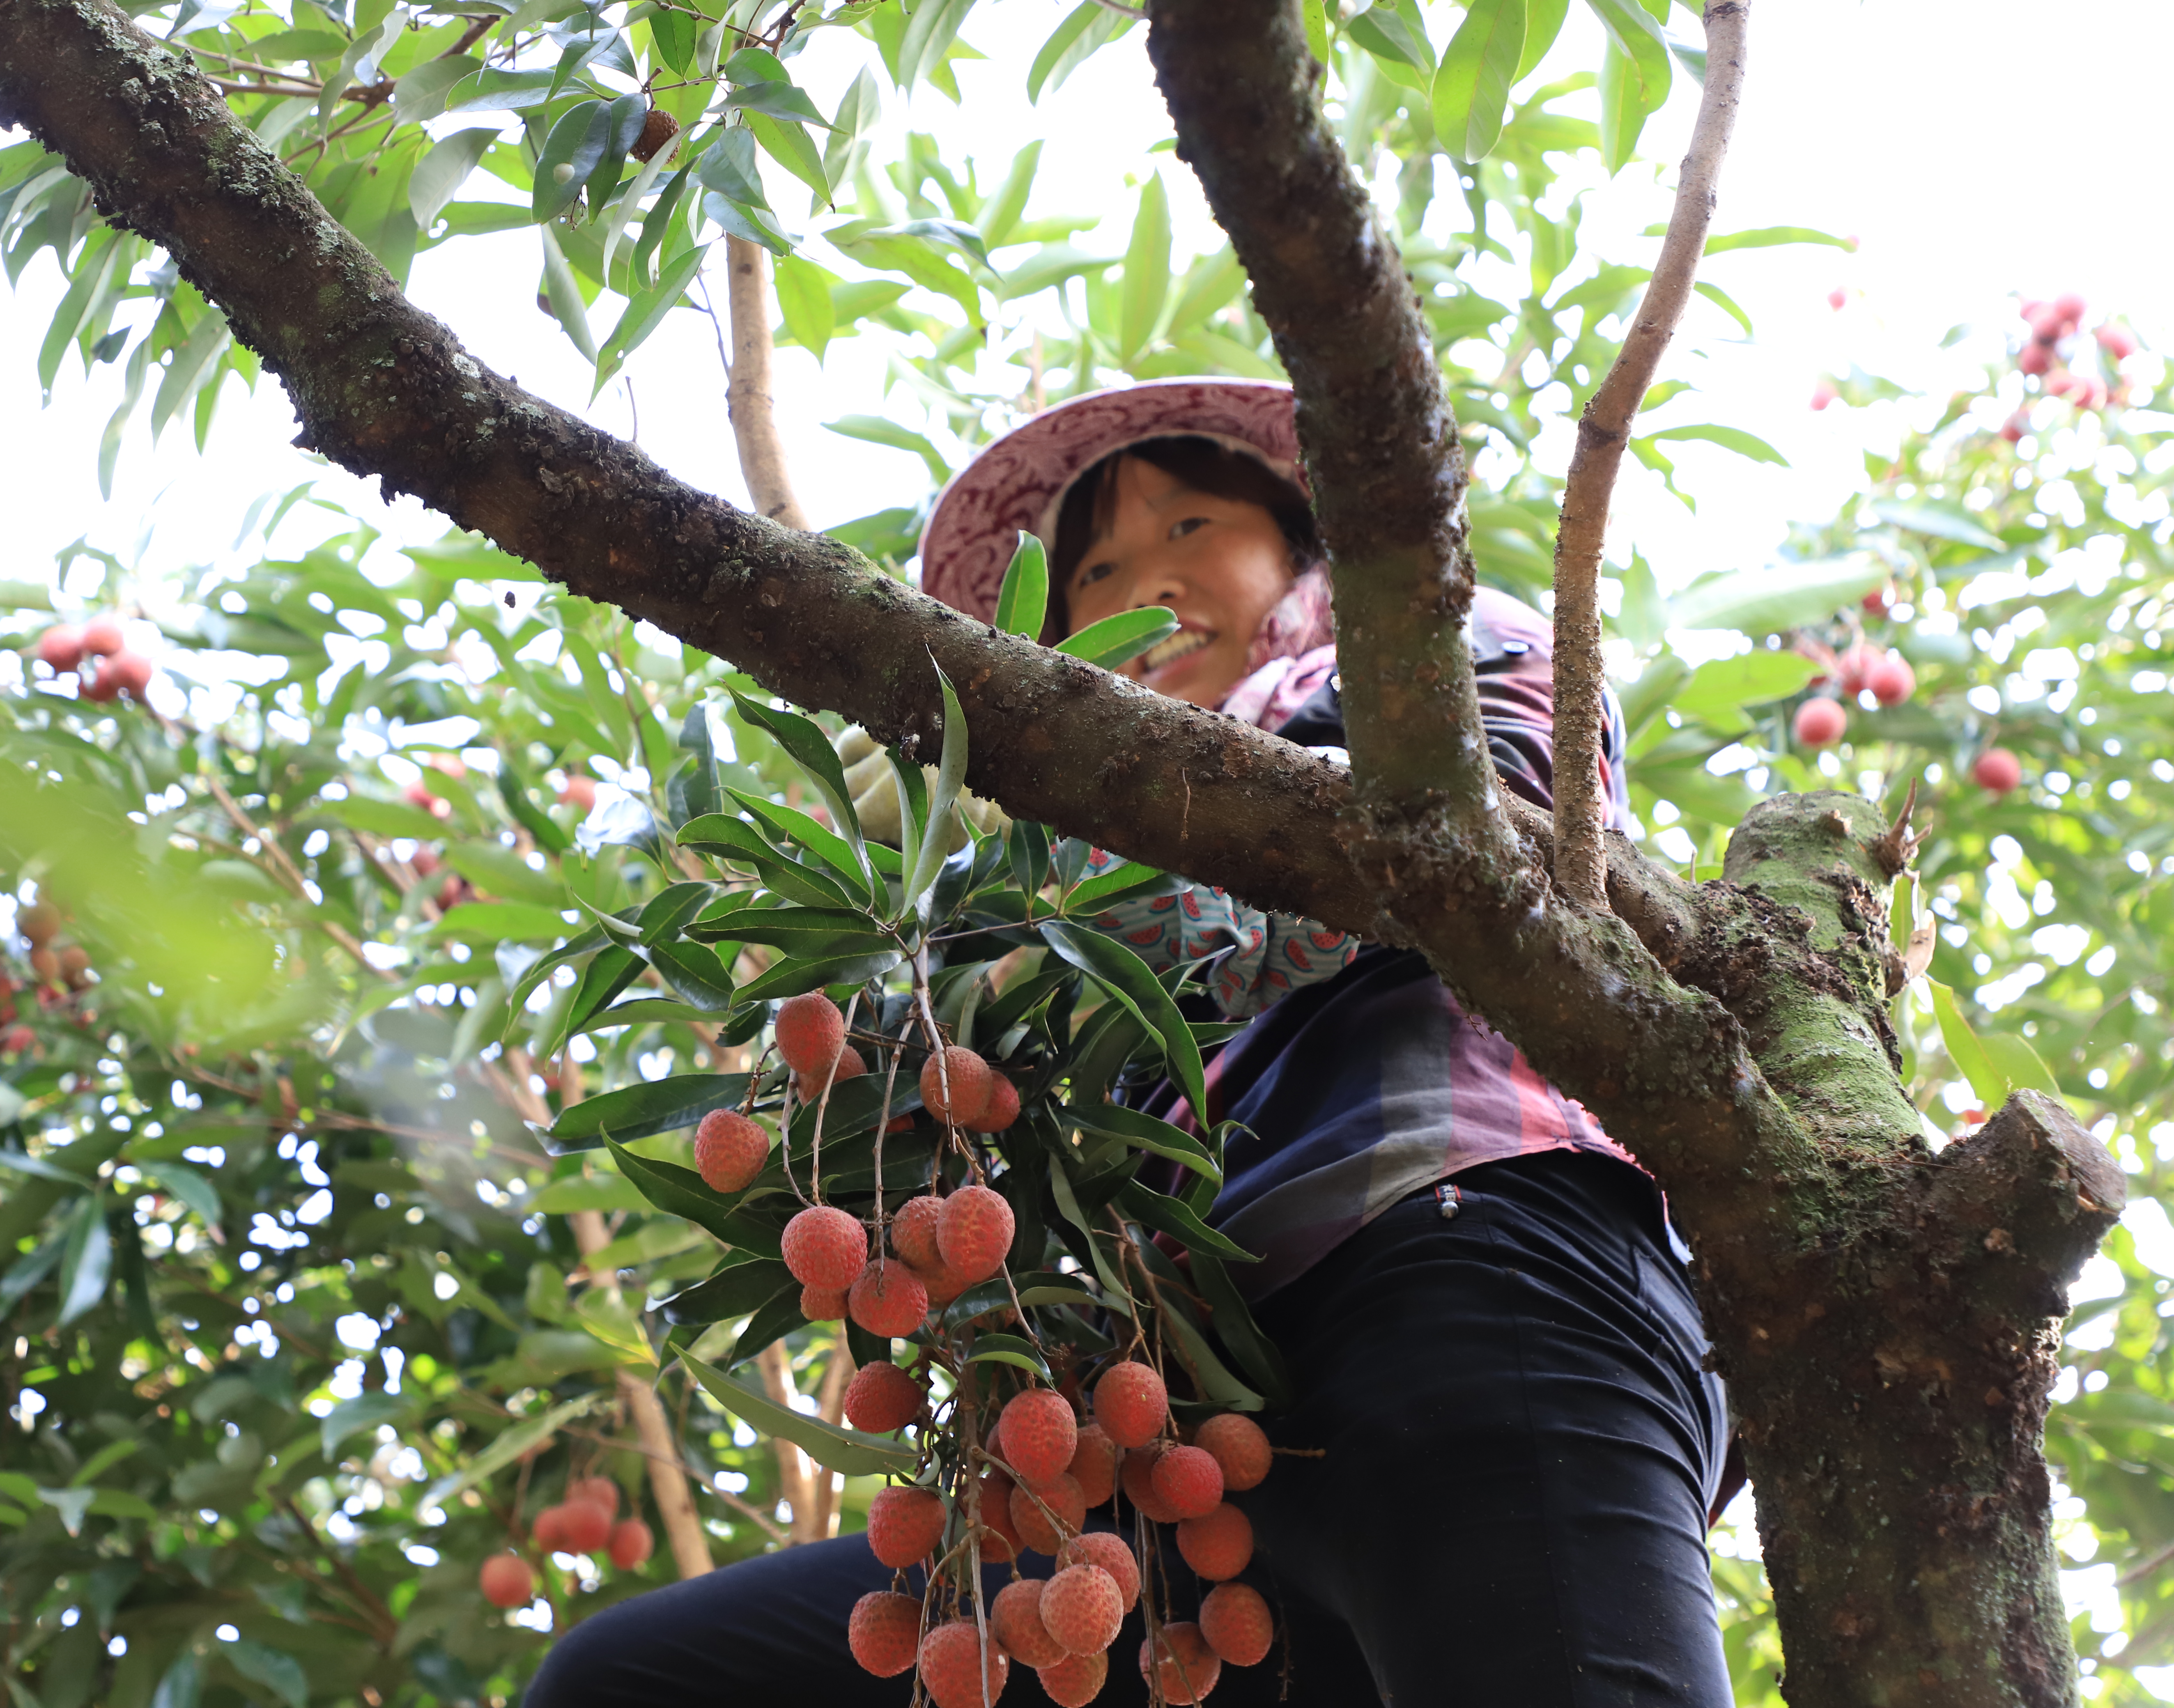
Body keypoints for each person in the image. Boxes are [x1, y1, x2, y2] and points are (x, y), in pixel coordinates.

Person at [526, 379, 1733, 1706]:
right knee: (628, 1682)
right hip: (1173, 1459)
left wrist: (1022, 870)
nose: (1143, 585)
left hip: (1455, 1270)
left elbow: (1473, 851)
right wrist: (890, 1003)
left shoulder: (1413, 656)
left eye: (1193, 524)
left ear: (1305, 553)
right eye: (1095, 570)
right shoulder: (1036, 883)